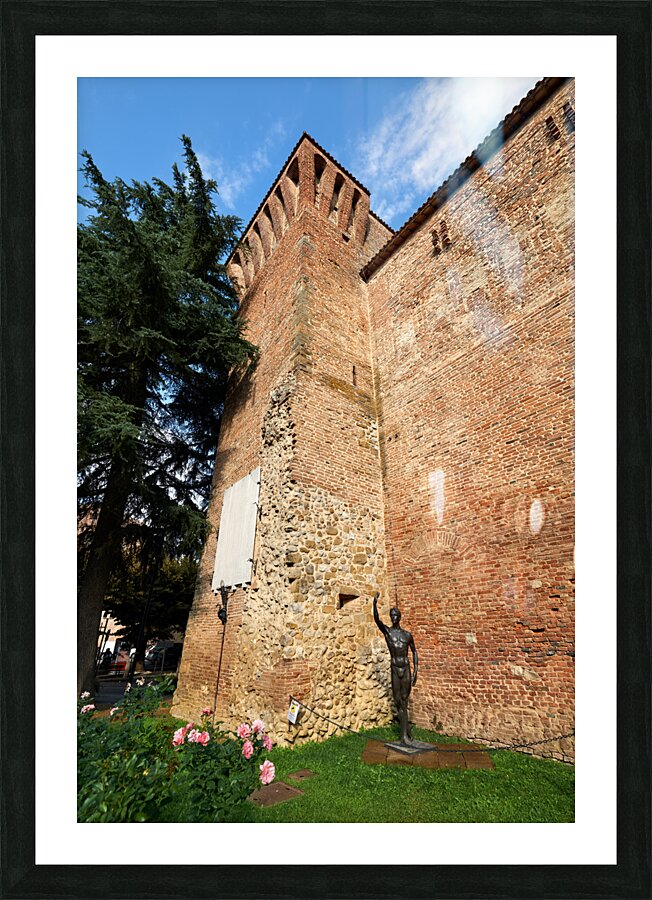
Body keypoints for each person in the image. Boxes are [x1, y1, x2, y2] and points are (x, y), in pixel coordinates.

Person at [373, 591, 418, 746]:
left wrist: (416, 671)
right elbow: (377, 620)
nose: (393, 618)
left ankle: (405, 735)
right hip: (394, 667)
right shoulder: (388, 632)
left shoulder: (407, 635)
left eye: (395, 615)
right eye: (391, 615)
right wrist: (374, 603)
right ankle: (406, 731)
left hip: (405, 668)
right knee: (398, 700)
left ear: (399, 617)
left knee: (404, 700)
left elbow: (414, 652)